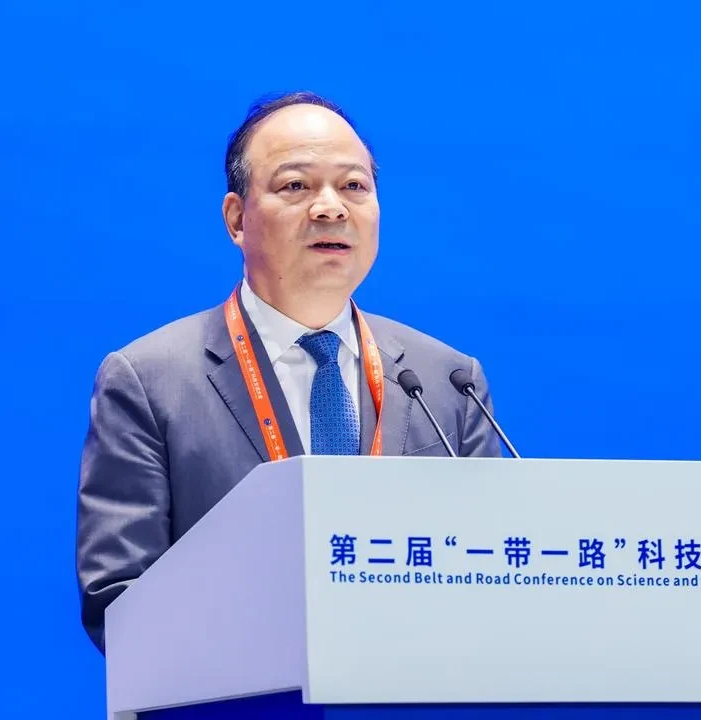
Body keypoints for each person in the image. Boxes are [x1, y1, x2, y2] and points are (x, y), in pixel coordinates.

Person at [75, 91, 503, 652]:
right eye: (296, 186)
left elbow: (496, 575)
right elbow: (119, 601)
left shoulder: (447, 381)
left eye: (354, 186)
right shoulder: (150, 382)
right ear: (237, 219)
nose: (331, 208)